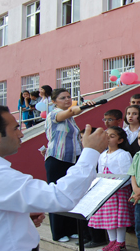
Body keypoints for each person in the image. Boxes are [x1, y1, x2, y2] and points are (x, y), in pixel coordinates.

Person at [0, 104, 108, 250]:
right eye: (15, 128)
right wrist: (91, 151)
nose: (21, 134)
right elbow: (61, 197)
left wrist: (18, 217)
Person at [43, 88, 95, 242]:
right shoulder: (54, 114)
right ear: (54, 102)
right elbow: (70, 112)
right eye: (62, 98)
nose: (67, 100)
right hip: (57, 159)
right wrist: (83, 106)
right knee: (56, 194)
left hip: (71, 160)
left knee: (71, 193)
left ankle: (71, 228)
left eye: (68, 97)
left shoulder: (70, 118)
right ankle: (58, 232)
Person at [88, 127, 133, 251]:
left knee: (119, 218)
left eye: (112, 136)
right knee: (108, 217)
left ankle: (120, 242)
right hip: (106, 192)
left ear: (120, 140)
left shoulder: (123, 154)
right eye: (106, 135)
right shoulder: (102, 155)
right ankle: (112, 240)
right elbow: (100, 172)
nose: (108, 138)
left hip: (118, 191)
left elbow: (127, 175)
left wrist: (115, 186)